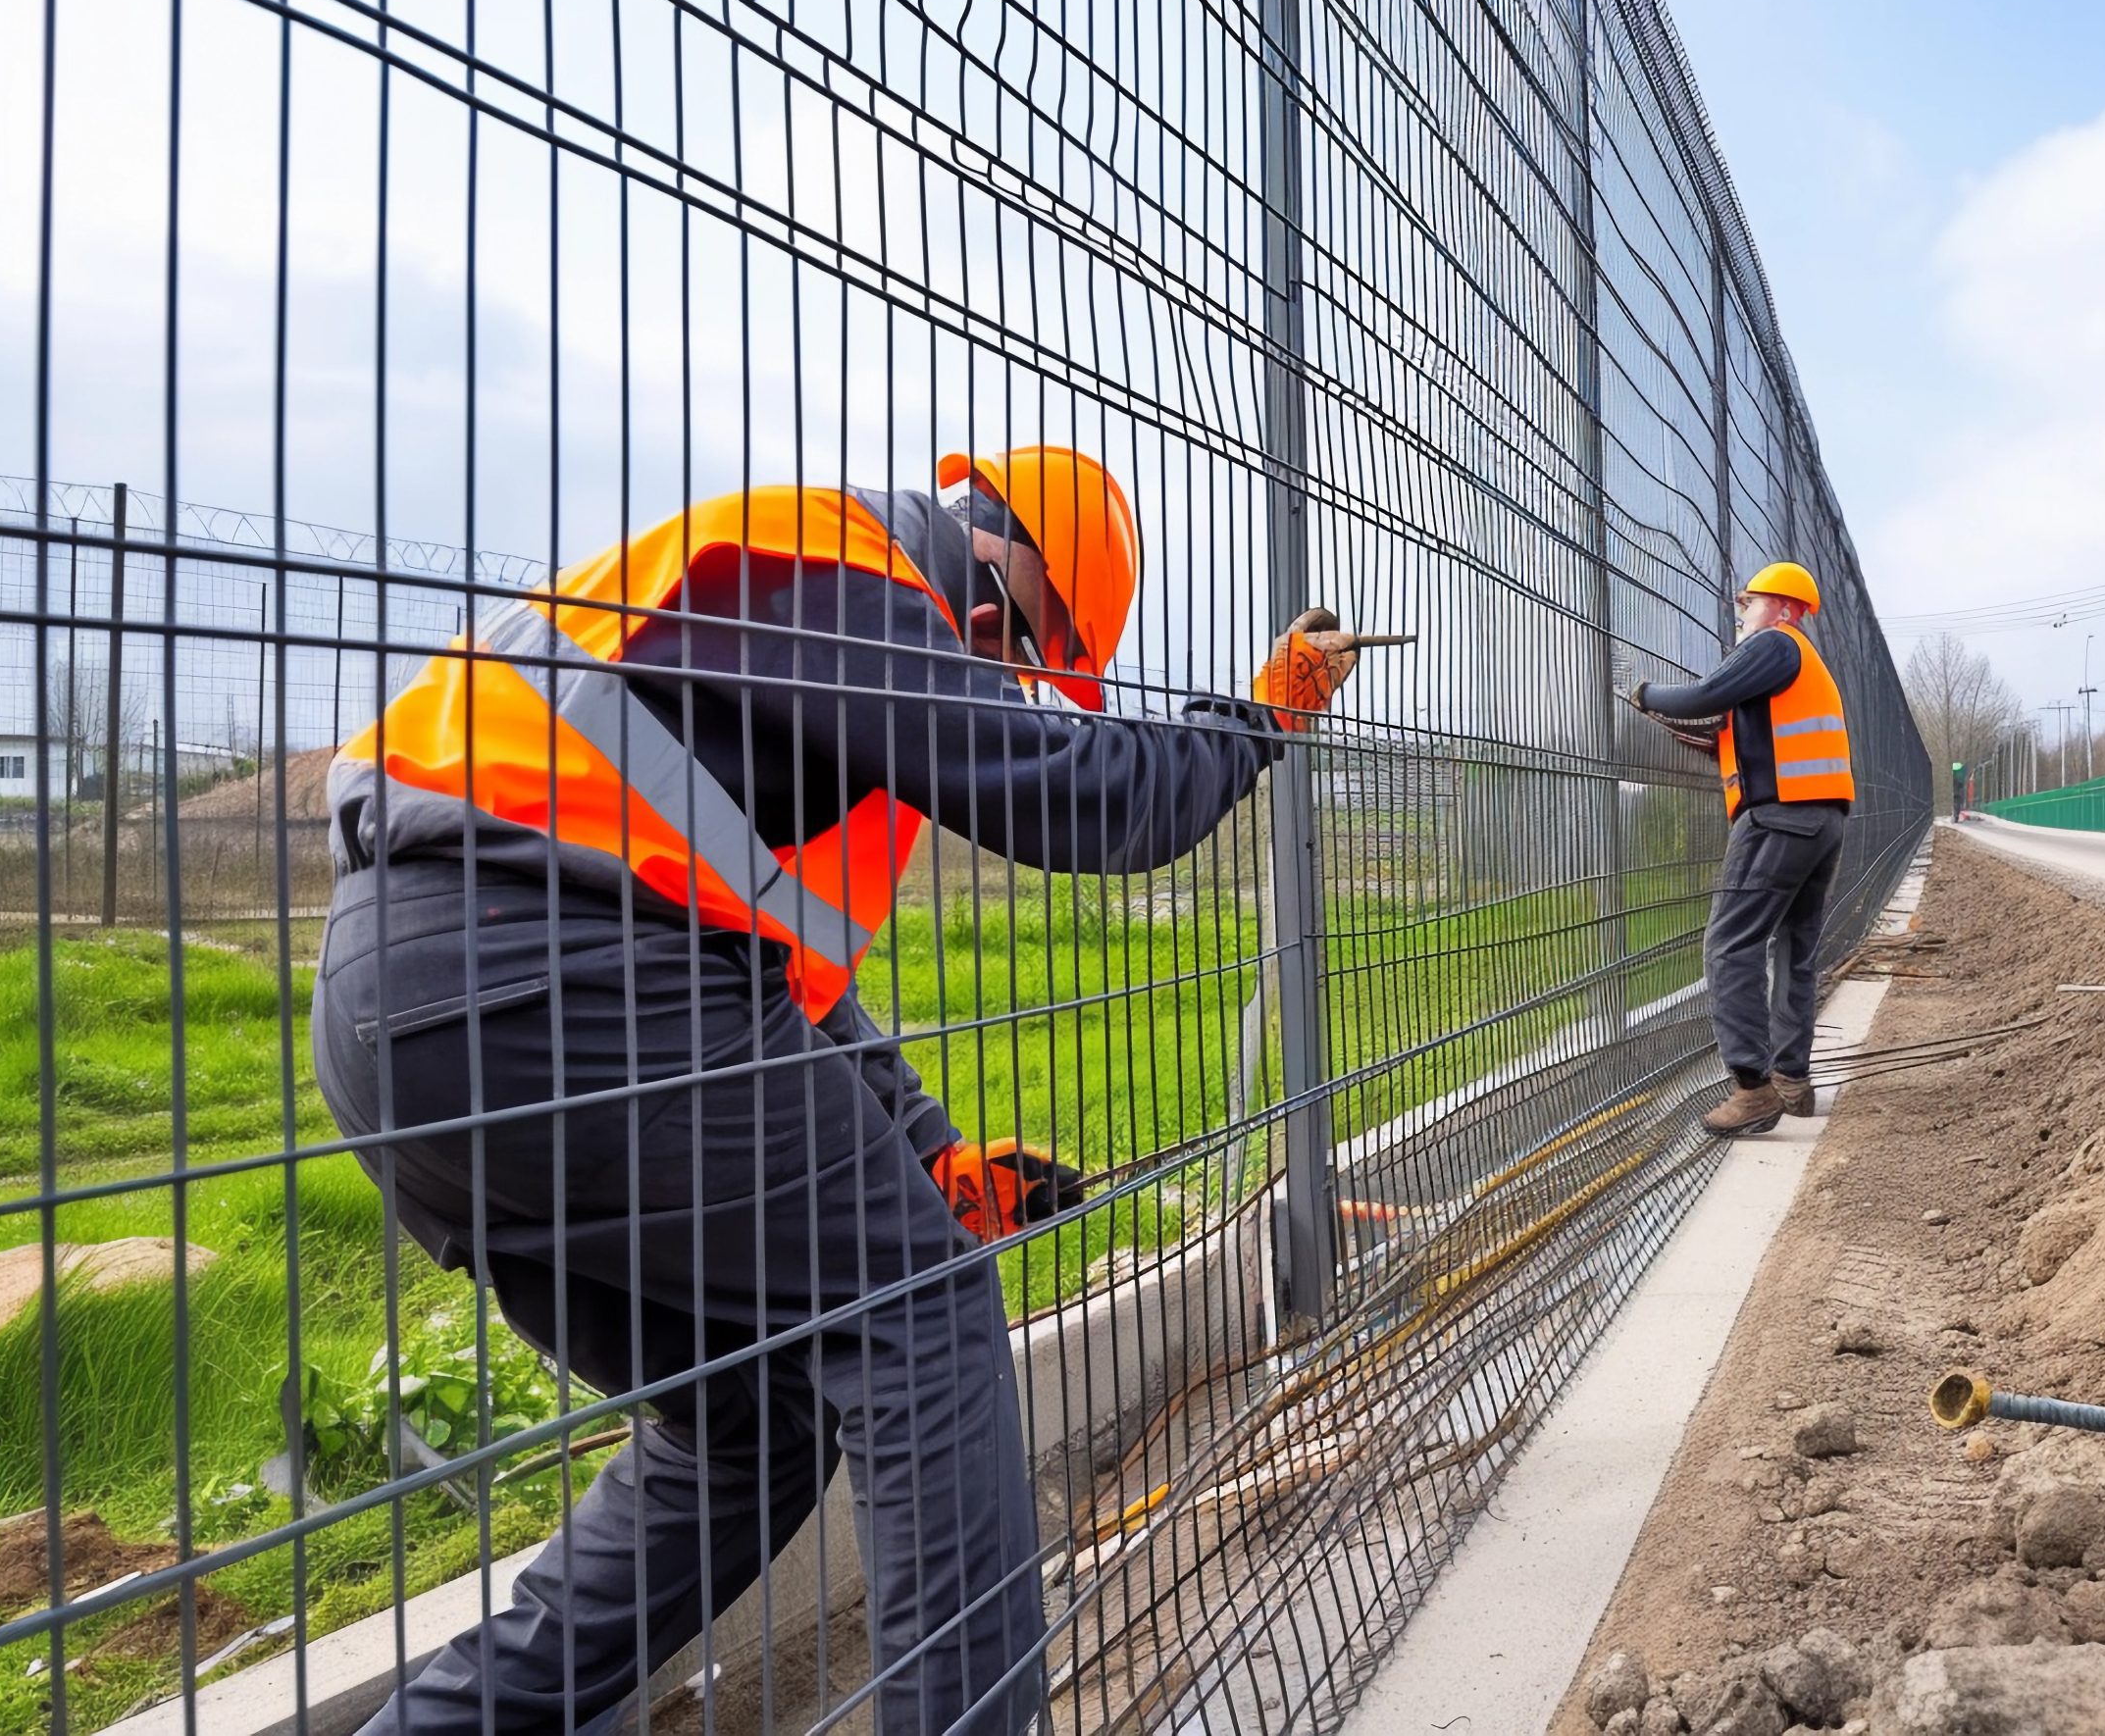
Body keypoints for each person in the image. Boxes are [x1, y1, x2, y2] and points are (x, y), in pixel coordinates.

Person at [311, 446, 1372, 1736]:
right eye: (1018, 652)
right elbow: (1089, 803)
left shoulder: (777, 675)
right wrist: (1258, 719)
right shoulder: (842, 572)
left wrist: (930, 1157)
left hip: (415, 1016)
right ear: (991, 568)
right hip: (540, 976)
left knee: (748, 1430)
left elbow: (784, 981)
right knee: (923, 1309)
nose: (1005, 682)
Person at [1622, 561, 1853, 1139]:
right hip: (1820, 820)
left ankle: (1752, 1089)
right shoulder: (1800, 666)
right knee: (1795, 948)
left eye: (1747, 605)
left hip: (1779, 820)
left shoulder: (1777, 642)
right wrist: (1716, 742)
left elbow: (1706, 692)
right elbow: (1765, 736)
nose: (1741, 617)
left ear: (1781, 606)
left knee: (1730, 945)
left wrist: (1645, 692)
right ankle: (1792, 1081)